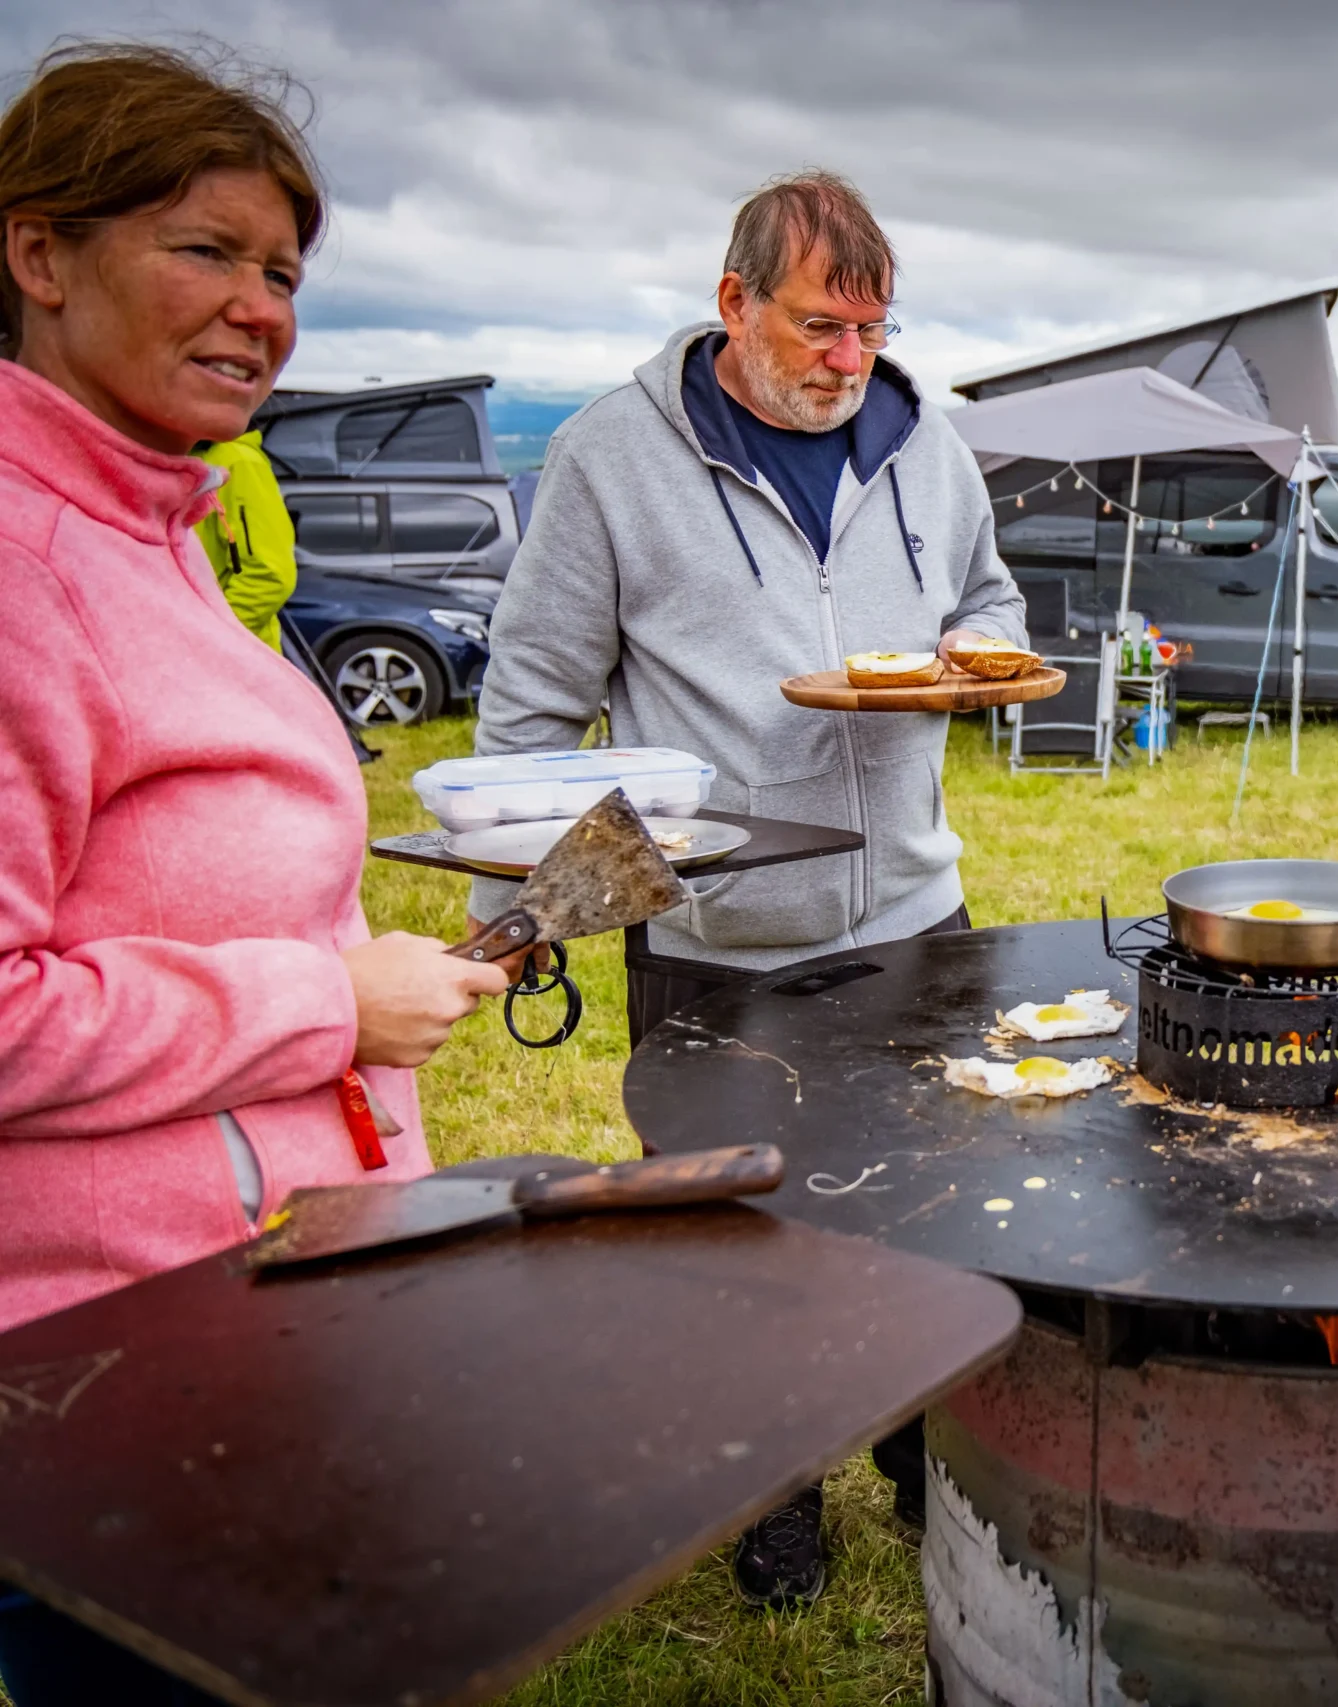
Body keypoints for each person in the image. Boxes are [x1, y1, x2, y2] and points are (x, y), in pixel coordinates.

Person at [0, 42, 509, 1704]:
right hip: (114, 1377)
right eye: (205, 250)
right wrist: (326, 1000)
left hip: (265, 1311)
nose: (257, 306)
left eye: (282, 269)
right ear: (38, 252)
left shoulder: (150, 531)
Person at [470, 169, 1026, 1606]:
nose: (852, 359)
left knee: (926, 1212)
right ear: (734, 304)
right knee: (736, 1236)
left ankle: (922, 1459)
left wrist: (975, 654)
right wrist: (533, 905)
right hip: (717, 936)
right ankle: (770, 1492)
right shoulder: (612, 456)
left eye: (872, 327)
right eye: (820, 326)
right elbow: (529, 711)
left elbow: (992, 602)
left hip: (913, 913)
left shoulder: (928, 441)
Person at [194, 427, 296, 648]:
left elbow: (269, 575)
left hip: (223, 660)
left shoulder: (237, 460)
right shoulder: (186, 457)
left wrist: (209, 639)